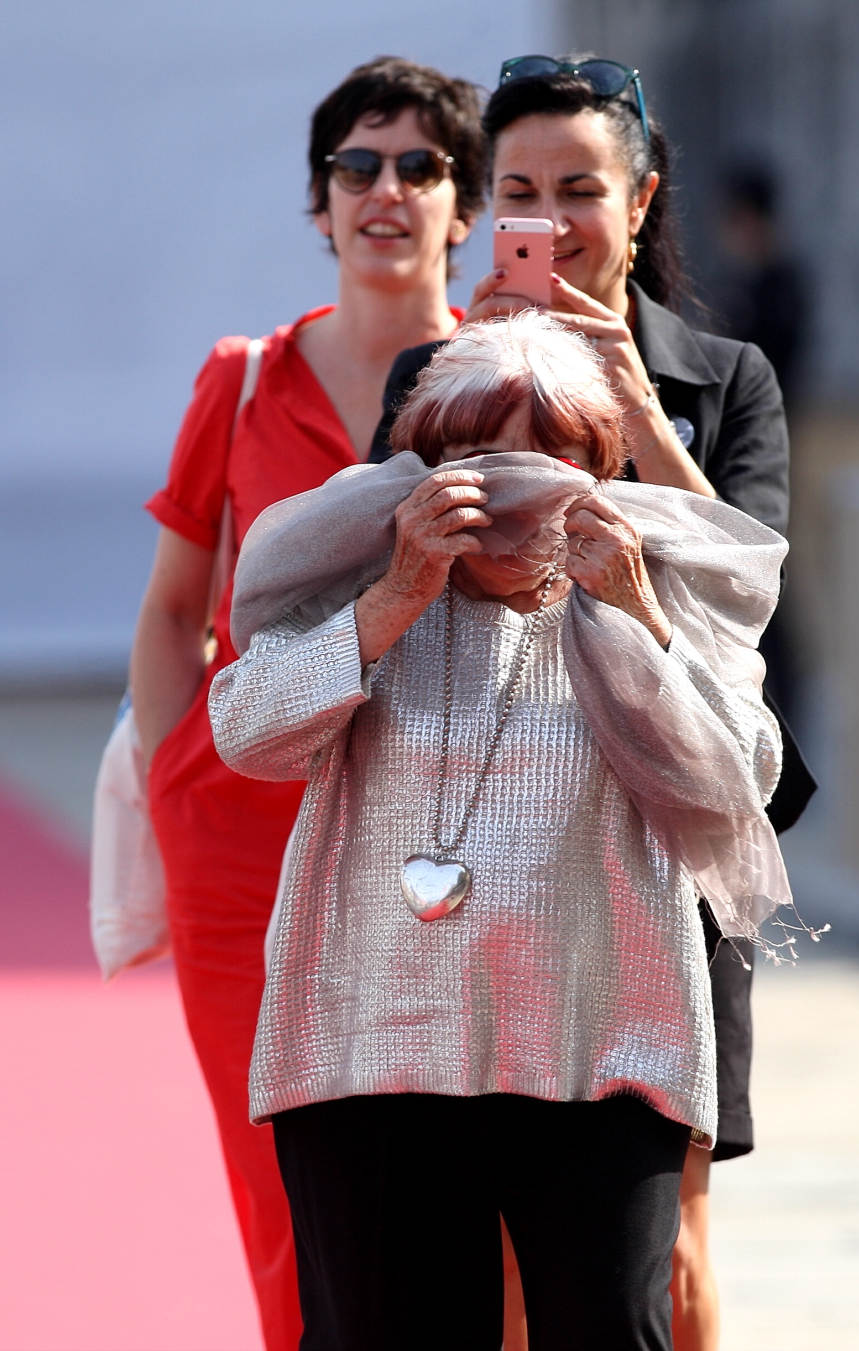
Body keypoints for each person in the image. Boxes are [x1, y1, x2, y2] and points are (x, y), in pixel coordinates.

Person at [208, 311, 791, 1351]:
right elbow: (245, 731)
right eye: (479, 451)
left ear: (598, 465)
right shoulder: (363, 578)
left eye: (551, 452)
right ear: (422, 468)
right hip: (373, 1049)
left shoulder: (652, 581)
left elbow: (737, 780)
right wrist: (395, 596)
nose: (517, 483)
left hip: (603, 1050)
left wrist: (638, 615)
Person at [369, 55, 815, 1351]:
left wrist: (630, 404)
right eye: (518, 190)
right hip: (489, 828)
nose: (550, 220)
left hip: (665, 832)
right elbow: (384, 564)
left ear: (641, 199)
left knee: (668, 1231)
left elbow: (752, 585)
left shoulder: (722, 379)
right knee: (503, 1242)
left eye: (580, 189)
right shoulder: (434, 377)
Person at [128, 56, 484, 1351]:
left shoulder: (502, 385)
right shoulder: (240, 378)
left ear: (464, 208)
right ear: (322, 205)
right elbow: (175, 608)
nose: (385, 189)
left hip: (438, 854)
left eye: (420, 165)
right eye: (357, 165)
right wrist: (181, 780)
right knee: (280, 1200)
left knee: (464, 1210)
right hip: (243, 852)